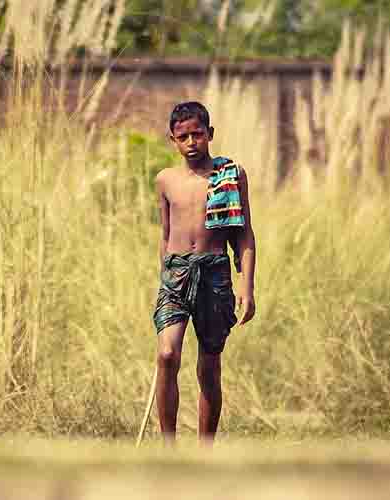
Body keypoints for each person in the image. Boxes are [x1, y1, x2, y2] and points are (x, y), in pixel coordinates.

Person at [152, 101, 256, 445]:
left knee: (209, 366)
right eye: (184, 136)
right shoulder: (165, 180)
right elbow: (165, 234)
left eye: (198, 134)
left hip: (215, 274)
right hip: (177, 274)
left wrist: (247, 286)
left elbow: (244, 233)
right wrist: (163, 277)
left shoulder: (230, 175)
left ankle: (203, 450)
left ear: (210, 134)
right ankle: (168, 449)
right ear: (173, 140)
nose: (192, 141)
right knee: (167, 354)